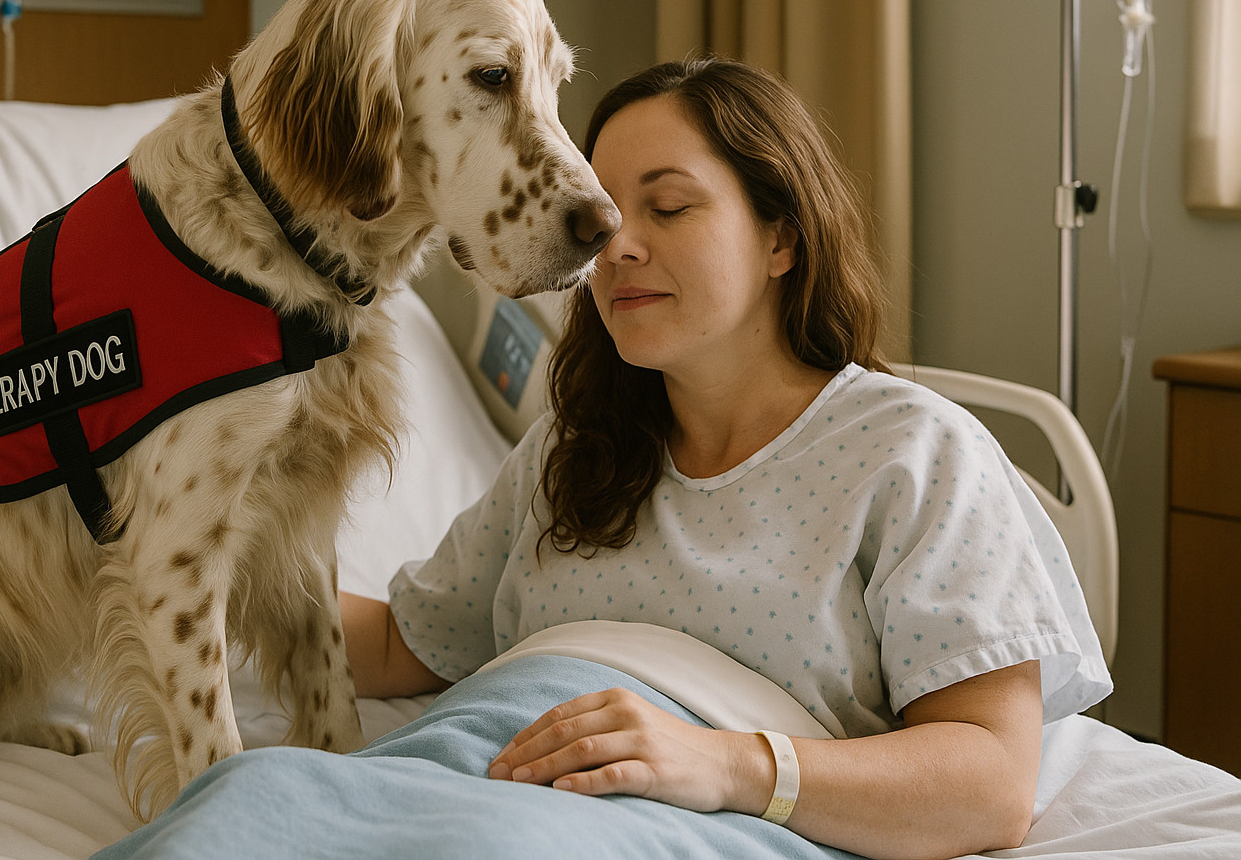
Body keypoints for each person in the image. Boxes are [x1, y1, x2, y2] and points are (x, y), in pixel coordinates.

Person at [340, 56, 1111, 860]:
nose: (616, 246)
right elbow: (407, 643)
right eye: (600, 217)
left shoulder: (913, 456)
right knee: (239, 801)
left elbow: (988, 789)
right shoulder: (571, 448)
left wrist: (730, 764)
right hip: (461, 782)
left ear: (781, 237)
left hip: (624, 831)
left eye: (668, 208)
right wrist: (219, 580)